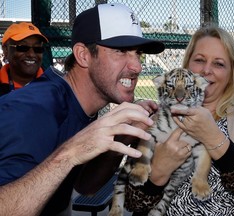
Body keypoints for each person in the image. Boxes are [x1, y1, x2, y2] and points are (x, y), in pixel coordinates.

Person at [0, 3, 164, 216]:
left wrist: (121, 136)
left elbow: (85, 188)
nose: (137, 67)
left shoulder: (81, 104)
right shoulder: (34, 109)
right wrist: (70, 152)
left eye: (138, 53)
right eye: (121, 51)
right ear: (83, 55)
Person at [124, 25, 234, 216]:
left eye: (219, 64)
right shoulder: (158, 117)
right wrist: (158, 171)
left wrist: (213, 138)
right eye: (199, 60)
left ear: (231, 74)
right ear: (187, 66)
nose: (206, 70)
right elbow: (132, 201)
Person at [0, 22, 48, 96]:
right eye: (23, 47)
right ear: (6, 50)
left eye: (38, 48)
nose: (31, 54)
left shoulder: (56, 86)